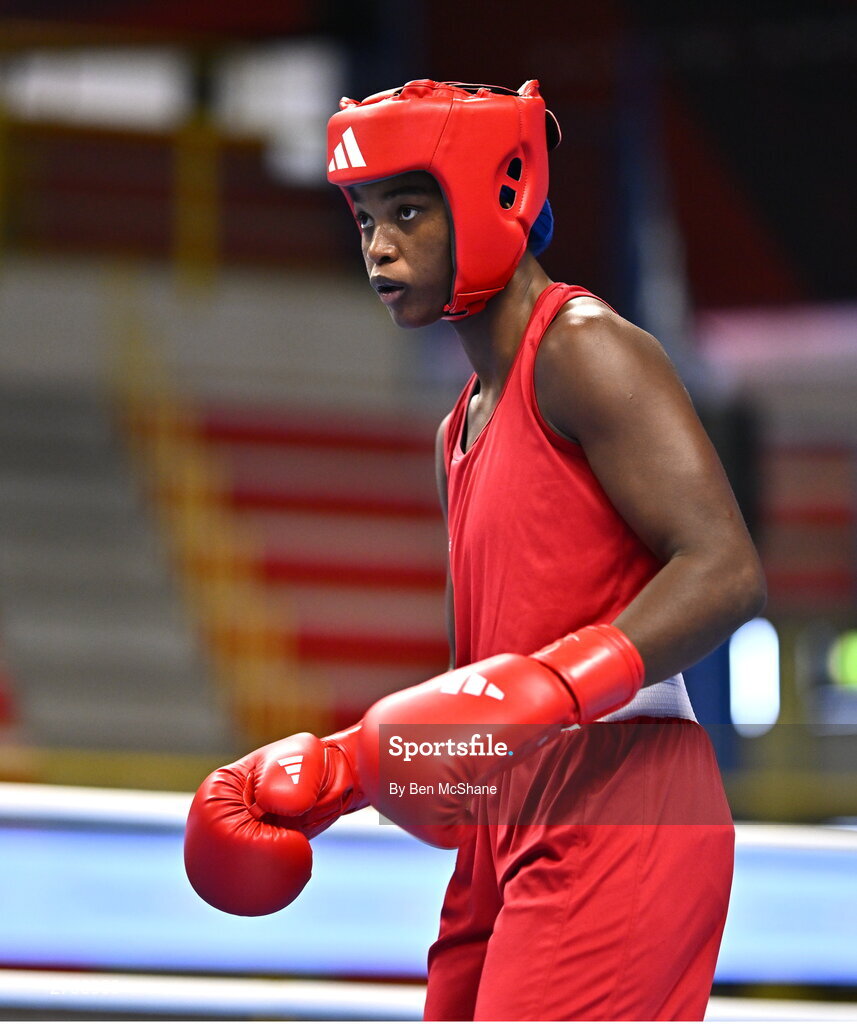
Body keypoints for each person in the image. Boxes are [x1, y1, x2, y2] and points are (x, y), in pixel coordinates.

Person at [184, 80, 766, 1021]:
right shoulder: (460, 423)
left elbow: (725, 568)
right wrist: (340, 771)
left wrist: (565, 683)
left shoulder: (583, 349)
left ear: (492, 196)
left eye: (407, 211)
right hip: (508, 814)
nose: (377, 243)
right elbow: (486, 687)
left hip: (624, 797)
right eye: (366, 217)